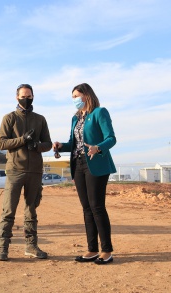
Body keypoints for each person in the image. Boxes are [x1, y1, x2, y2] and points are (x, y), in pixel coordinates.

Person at [53, 83, 116, 265]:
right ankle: (92, 249)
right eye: (72, 97)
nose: (74, 100)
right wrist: (61, 146)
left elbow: (111, 138)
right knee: (86, 208)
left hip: (96, 163)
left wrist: (98, 148)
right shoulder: (76, 118)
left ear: (86, 95)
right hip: (78, 164)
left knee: (97, 206)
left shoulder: (99, 112)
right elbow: (74, 143)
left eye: (77, 96)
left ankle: (107, 250)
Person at [0, 84, 52, 261]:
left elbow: (48, 144)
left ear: (33, 97)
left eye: (29, 96)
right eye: (23, 96)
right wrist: (22, 140)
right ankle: (2, 248)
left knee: (31, 210)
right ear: (16, 97)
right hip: (15, 171)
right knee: (9, 210)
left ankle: (31, 246)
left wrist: (36, 145)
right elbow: (2, 143)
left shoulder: (40, 119)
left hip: (35, 171)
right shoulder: (9, 118)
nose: (26, 99)